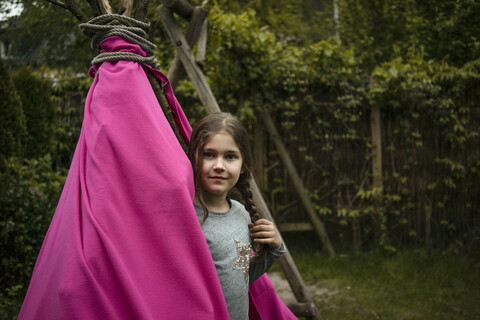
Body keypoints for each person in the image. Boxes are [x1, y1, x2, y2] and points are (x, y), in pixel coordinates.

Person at [188, 112, 286, 320]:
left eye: (230, 156)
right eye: (208, 154)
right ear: (193, 158)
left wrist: (275, 248)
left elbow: (241, 275)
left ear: (243, 166)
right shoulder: (187, 219)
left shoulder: (242, 215)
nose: (219, 166)